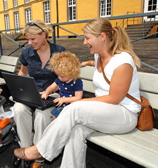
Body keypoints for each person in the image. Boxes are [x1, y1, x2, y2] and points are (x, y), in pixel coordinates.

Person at [14, 17, 141, 168]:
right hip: (104, 112)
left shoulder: (123, 61)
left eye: (87, 38)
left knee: (74, 108)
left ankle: (41, 150)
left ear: (102, 37)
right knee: (75, 131)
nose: (84, 42)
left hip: (124, 115)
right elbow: (105, 67)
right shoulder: (98, 55)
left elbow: (114, 98)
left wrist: (79, 102)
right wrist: (88, 63)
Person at [14, 20, 66, 168]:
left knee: (42, 116)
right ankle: (25, 149)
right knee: (19, 109)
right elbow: (23, 72)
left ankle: (38, 155)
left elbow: (66, 77)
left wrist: (50, 90)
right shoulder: (27, 53)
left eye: (32, 39)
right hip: (32, 92)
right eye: (27, 39)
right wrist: (20, 86)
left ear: (43, 35)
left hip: (53, 94)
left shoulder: (59, 51)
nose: (29, 43)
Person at [41, 51, 83, 120]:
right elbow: (51, 87)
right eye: (58, 75)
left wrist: (64, 99)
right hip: (61, 103)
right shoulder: (59, 80)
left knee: (55, 118)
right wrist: (46, 92)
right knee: (51, 116)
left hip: (71, 106)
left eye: (62, 76)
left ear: (72, 72)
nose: (60, 78)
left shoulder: (77, 82)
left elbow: (78, 97)